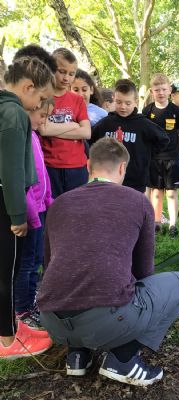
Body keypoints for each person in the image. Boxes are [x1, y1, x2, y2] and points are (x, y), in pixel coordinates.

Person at [37, 137, 179, 386]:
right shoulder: (137, 201)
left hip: (52, 321)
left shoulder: (60, 203)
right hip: (108, 320)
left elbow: (50, 265)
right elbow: (144, 271)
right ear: (122, 168)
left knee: (73, 279)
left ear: (88, 165)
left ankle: (77, 355)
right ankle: (123, 358)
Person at [0, 56, 54, 359]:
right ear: (28, 87)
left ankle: (12, 326)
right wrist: (18, 215)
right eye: (41, 99)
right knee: (6, 273)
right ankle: (7, 340)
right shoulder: (14, 113)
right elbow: (11, 171)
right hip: (8, 206)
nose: (39, 106)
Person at [14, 98, 54, 331]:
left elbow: (43, 173)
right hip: (31, 215)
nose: (44, 121)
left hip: (41, 210)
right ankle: (22, 310)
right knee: (27, 263)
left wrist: (49, 200)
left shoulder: (34, 136)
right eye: (42, 116)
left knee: (37, 259)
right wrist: (32, 215)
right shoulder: (19, 139)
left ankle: (31, 301)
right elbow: (22, 183)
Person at [90, 79, 169, 193]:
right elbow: (90, 141)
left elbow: (163, 139)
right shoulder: (105, 123)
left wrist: (145, 155)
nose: (123, 107)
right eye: (119, 102)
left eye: (128, 103)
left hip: (135, 180)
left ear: (135, 102)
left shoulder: (143, 124)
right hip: (108, 178)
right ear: (113, 98)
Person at [38, 48, 91, 198]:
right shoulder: (42, 96)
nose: (66, 78)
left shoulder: (77, 100)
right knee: (53, 208)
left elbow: (86, 132)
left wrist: (53, 128)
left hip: (77, 166)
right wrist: (74, 125)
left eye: (71, 74)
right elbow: (43, 130)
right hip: (50, 165)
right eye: (61, 72)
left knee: (76, 208)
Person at [142, 73, 179, 237]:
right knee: (156, 192)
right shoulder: (147, 111)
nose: (160, 93)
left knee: (171, 193)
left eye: (163, 89)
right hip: (154, 158)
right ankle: (157, 222)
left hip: (172, 158)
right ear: (151, 91)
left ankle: (173, 224)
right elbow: (144, 133)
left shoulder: (176, 111)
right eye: (157, 90)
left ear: (169, 90)